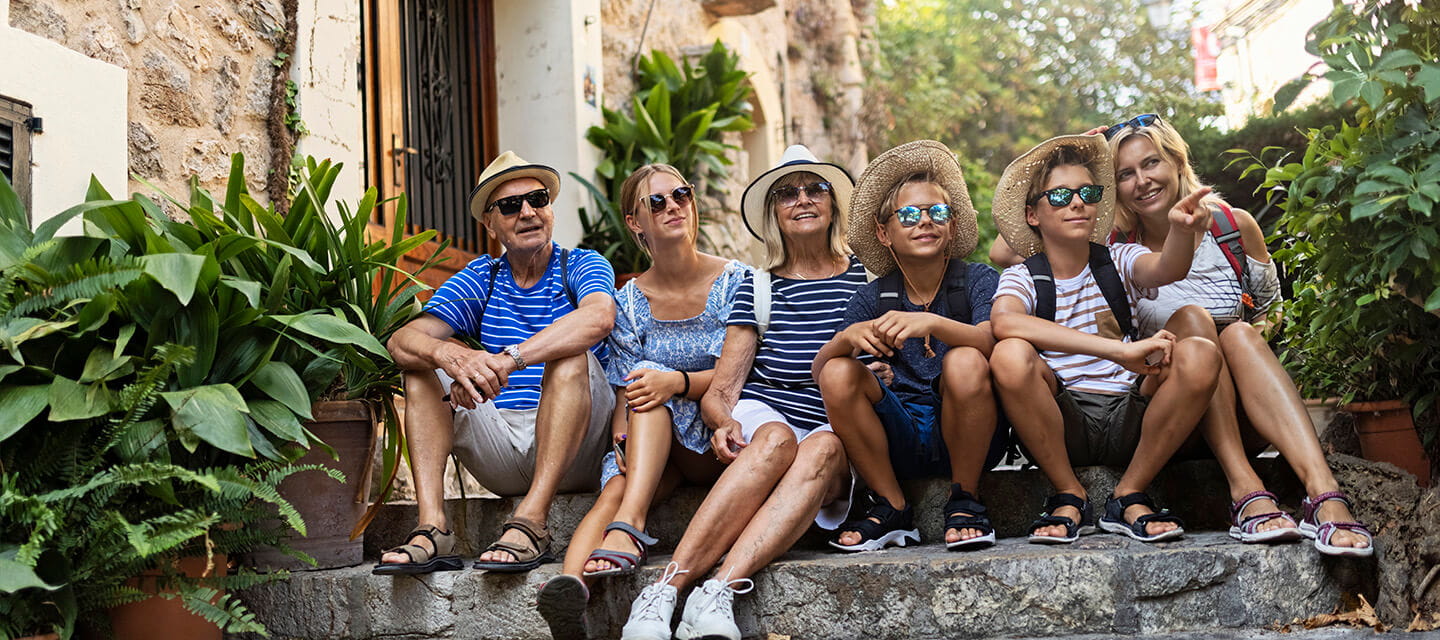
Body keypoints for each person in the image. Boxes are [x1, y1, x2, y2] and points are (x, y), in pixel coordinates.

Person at [620, 145, 864, 640]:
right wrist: (723, 421)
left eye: (815, 188)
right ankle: (663, 591)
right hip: (767, 417)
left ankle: (717, 590)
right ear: (774, 212)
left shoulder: (868, 279)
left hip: (839, 430)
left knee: (822, 446)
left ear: (833, 203)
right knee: (775, 437)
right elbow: (722, 392)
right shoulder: (758, 286)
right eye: (787, 193)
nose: (803, 199)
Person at [1103, 114, 1372, 556]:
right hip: (1173, 414)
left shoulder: (1234, 225)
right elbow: (1014, 245)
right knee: (1194, 322)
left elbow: (1271, 309)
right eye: (1125, 174)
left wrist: (1241, 341)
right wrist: (1086, 153)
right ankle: (1244, 486)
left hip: (1249, 409)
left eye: (1151, 163)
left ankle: (1323, 492)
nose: (1142, 181)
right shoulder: (1113, 247)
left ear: (1175, 161)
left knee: (1240, 336)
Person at [375, 151, 617, 575]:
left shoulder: (579, 263)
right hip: (500, 444)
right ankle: (433, 527)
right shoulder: (482, 275)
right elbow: (400, 341)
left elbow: (598, 317)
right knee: (419, 368)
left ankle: (533, 519)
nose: (527, 212)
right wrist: (452, 355)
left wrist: (511, 359)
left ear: (549, 210)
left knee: (570, 354)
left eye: (537, 200)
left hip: (575, 447)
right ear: (489, 224)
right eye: (509, 205)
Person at [536, 164, 743, 638]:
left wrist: (676, 382)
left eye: (681, 195)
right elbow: (623, 391)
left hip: (719, 438)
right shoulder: (627, 301)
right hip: (657, 443)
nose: (672, 206)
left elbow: (740, 372)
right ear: (635, 221)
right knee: (619, 479)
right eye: (657, 202)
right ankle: (569, 591)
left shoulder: (736, 281)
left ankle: (629, 526)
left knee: (654, 389)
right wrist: (620, 439)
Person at [987, 134, 1221, 544]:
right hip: (1063, 419)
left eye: (1087, 193)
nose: (1077, 203)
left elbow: (1167, 269)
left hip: (1131, 414)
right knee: (1008, 355)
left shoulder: (1119, 259)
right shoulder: (1023, 276)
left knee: (1200, 353)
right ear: (1033, 214)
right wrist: (1118, 350)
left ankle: (1129, 492)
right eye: (1059, 196)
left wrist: (1181, 231)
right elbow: (1004, 323)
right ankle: (1068, 492)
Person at [814, 140, 1005, 552]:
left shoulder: (977, 280)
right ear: (884, 233)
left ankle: (966, 500)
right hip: (897, 434)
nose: (925, 222)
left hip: (971, 430)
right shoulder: (872, 297)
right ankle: (892, 504)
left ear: (952, 226)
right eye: (908, 214)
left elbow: (997, 338)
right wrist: (845, 340)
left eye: (937, 212)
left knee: (968, 360)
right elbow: (821, 376)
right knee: (837, 369)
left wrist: (935, 322)